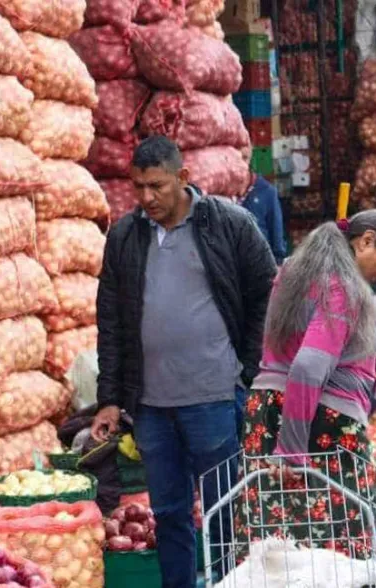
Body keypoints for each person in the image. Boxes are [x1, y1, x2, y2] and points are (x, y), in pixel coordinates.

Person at [91, 135, 277, 588]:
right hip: (152, 404)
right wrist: (111, 399)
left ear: (183, 178)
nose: (146, 198)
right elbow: (111, 320)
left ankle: (229, 582)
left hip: (213, 397)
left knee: (222, 509)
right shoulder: (125, 236)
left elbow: (267, 296)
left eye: (156, 186)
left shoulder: (230, 225)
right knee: (170, 511)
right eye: (139, 187)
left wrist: (247, 371)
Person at [237, 211, 376, 557]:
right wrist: (292, 453)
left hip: (266, 412)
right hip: (319, 426)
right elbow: (309, 368)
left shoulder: (292, 273)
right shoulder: (343, 286)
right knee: (338, 554)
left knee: (271, 550)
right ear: (367, 241)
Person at [241, 172, 288, 265]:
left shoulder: (267, 191)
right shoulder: (220, 191)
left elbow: (276, 228)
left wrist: (278, 260)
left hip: (260, 261)